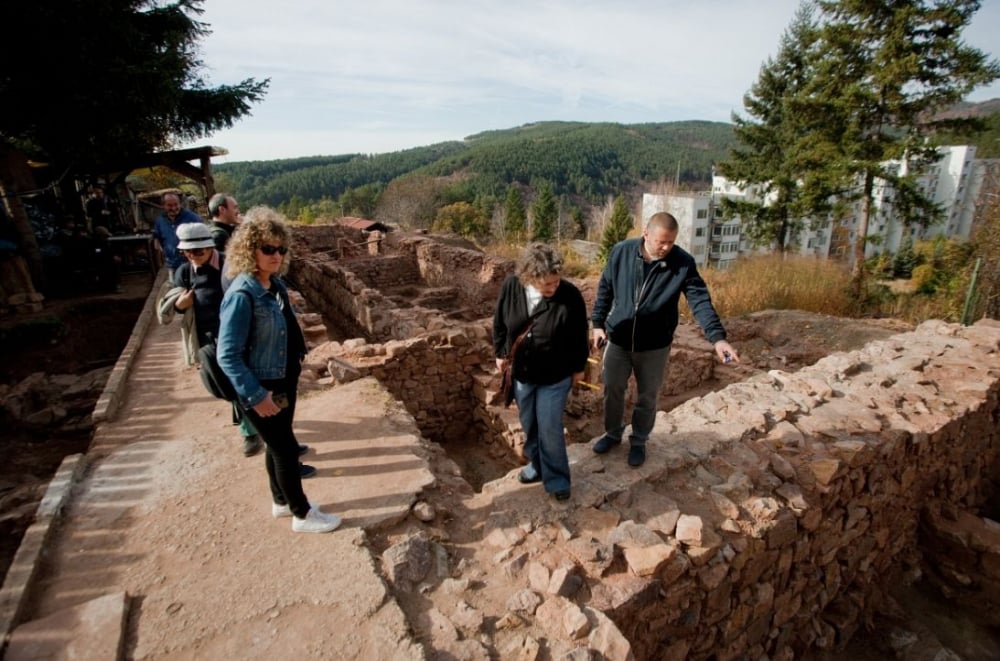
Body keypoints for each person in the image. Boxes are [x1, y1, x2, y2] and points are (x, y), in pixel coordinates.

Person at [217, 206, 341, 533]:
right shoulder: (243, 294)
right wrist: (256, 395)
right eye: (267, 249)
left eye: (281, 249)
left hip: (281, 380)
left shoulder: (272, 284)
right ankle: (303, 515)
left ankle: (281, 502)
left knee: (276, 446)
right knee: (286, 449)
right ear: (249, 249)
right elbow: (226, 354)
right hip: (263, 385)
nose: (275, 255)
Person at [590, 211, 740, 468]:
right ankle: (613, 433)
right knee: (613, 389)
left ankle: (638, 441)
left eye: (671, 242)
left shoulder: (682, 263)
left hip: (655, 346)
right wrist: (597, 324)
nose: (666, 247)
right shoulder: (622, 252)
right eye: (661, 241)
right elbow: (606, 288)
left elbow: (700, 301)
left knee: (647, 396)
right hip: (619, 339)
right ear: (646, 234)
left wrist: (718, 338)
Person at [166, 223, 314, 471]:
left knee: (277, 420)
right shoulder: (185, 274)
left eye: (198, 250)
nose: (193, 255)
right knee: (250, 402)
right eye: (189, 252)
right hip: (222, 342)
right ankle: (264, 444)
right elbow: (169, 309)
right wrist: (181, 304)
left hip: (253, 344)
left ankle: (283, 449)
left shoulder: (230, 269)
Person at [493, 243, 589, 501]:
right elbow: (500, 322)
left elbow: (581, 335)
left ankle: (557, 479)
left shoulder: (569, 295)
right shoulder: (512, 286)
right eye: (546, 284)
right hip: (523, 373)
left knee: (549, 427)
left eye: (556, 281)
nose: (553, 287)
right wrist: (500, 353)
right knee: (529, 423)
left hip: (554, 375)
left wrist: (579, 368)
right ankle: (537, 465)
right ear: (529, 277)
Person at [152, 191, 202, 285]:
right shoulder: (160, 220)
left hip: (191, 264)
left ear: (180, 203)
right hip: (173, 265)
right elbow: (157, 239)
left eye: (176, 204)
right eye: (169, 205)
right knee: (176, 289)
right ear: (163, 206)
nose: (174, 208)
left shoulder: (193, 218)